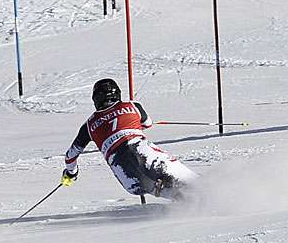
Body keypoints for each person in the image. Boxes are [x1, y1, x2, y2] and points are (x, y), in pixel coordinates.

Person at [61, 78, 198, 199]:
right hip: (141, 148)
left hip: (120, 165)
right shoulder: (133, 105)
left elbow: (70, 156)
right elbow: (147, 123)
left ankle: (183, 199)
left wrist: (71, 173)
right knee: (188, 179)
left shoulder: (89, 125)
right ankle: (210, 194)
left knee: (152, 187)